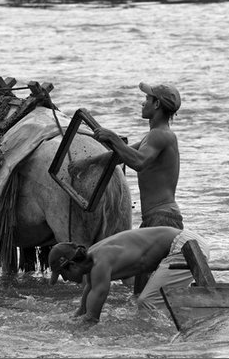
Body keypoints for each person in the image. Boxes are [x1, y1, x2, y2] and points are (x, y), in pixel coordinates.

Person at [69, 82, 183, 294]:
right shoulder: (155, 136)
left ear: (156, 104)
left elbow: (139, 162)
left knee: (146, 291)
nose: (142, 102)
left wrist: (112, 137)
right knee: (141, 290)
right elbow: (119, 155)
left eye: (147, 99)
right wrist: (87, 163)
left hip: (162, 219)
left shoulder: (160, 135)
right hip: (155, 219)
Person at [48, 226, 209, 325]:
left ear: (73, 265)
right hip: (185, 244)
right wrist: (66, 322)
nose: (66, 279)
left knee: (147, 301)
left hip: (186, 247)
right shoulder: (92, 261)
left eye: (63, 274)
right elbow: (83, 309)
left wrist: (72, 339)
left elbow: (92, 318)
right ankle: (191, 319)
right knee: (150, 301)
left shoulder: (100, 263)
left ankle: (163, 342)